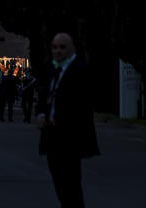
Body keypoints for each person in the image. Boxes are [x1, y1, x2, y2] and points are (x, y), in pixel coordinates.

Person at [36, 33, 99, 208]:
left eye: (62, 47)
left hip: (70, 137)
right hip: (52, 136)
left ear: (72, 49)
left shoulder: (80, 71)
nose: (58, 51)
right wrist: (41, 115)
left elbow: (84, 106)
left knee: (71, 186)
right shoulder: (52, 70)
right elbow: (43, 97)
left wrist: (61, 119)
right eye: (55, 47)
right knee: (60, 185)